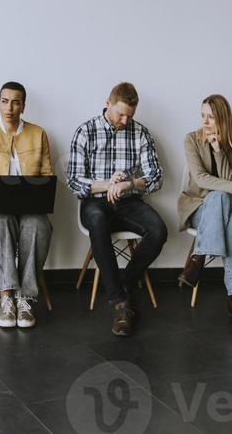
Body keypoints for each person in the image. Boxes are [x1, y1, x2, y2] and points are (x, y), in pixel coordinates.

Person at [66, 82, 167, 338]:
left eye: (130, 115)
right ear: (107, 103)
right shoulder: (85, 131)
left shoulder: (141, 133)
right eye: (120, 114)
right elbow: (74, 181)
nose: (124, 120)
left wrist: (127, 184)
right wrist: (106, 184)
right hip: (95, 201)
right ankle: (121, 304)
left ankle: (122, 285)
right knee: (98, 222)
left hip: (129, 200)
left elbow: (155, 177)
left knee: (158, 230)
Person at [0, 81, 53, 329]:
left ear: (23, 106)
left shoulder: (38, 134)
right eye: (5, 101)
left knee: (39, 224)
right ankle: (7, 297)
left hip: (28, 208)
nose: (10, 107)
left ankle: (25, 298)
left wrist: (37, 195)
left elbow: (47, 175)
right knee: (1, 219)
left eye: (16, 102)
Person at [178, 94, 232, 325]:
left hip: (230, 202)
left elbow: (229, 188)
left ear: (223, 120)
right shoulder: (191, 140)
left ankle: (198, 259)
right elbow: (201, 179)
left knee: (221, 197)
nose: (204, 123)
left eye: (211, 118)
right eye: (202, 116)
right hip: (200, 208)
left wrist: (218, 151)